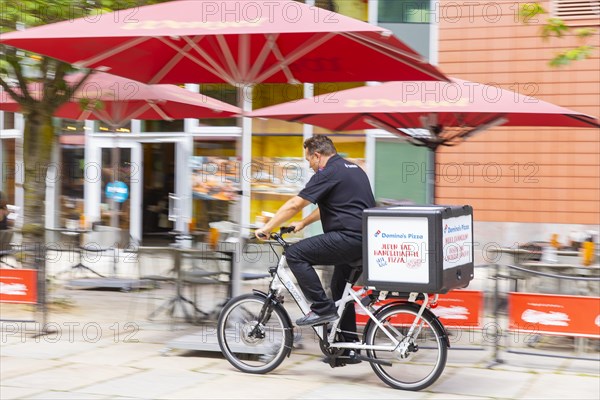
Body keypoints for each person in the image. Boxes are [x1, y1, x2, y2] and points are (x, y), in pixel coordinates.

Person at [255, 135, 375, 363]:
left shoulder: (328, 172)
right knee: (340, 288)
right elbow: (332, 204)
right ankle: (347, 348)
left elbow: (294, 204)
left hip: (348, 238)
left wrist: (267, 227)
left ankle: (321, 309)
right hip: (364, 240)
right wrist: (302, 224)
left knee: (295, 254)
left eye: (309, 160)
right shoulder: (353, 169)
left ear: (317, 155)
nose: (309, 166)